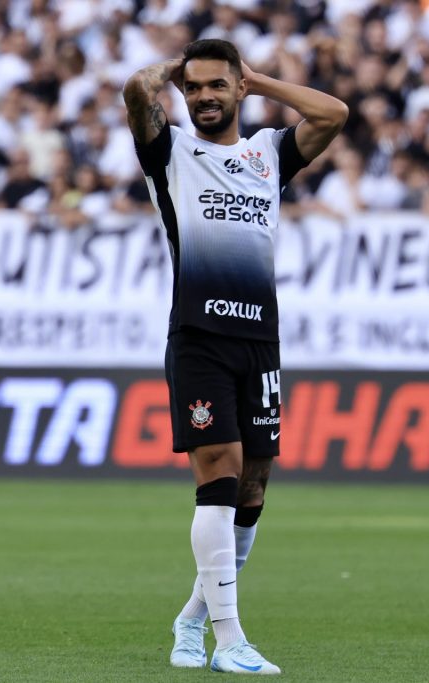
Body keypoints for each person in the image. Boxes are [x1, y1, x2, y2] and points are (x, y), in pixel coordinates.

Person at [123, 39, 348, 675]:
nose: (203, 98)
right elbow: (138, 93)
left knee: (253, 485)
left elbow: (333, 115)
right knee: (218, 478)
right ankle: (230, 640)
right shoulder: (168, 152)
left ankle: (192, 618)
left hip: (261, 342)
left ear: (239, 90)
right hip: (198, 338)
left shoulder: (270, 152)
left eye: (217, 86)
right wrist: (173, 70)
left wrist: (258, 79)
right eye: (193, 89)